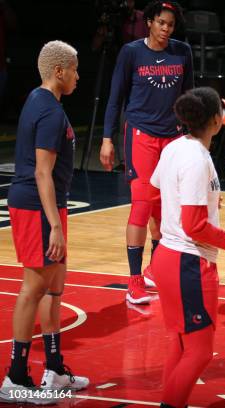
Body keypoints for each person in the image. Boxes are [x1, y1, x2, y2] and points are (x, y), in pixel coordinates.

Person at [150, 87, 225, 408]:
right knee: (198, 353)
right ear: (216, 120)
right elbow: (194, 226)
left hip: (167, 258)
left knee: (180, 345)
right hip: (189, 265)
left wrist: (207, 200)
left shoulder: (174, 148)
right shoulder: (198, 159)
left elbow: (157, 190)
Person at [0, 41, 88, 404]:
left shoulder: (39, 100)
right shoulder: (49, 112)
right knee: (33, 289)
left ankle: (55, 368)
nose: (79, 76)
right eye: (76, 70)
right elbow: (41, 172)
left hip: (51, 208)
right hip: (38, 209)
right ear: (59, 72)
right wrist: (53, 224)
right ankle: (14, 377)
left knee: (55, 288)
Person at [100, 0, 194, 305]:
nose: (166, 29)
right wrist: (107, 138)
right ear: (149, 22)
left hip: (174, 137)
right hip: (140, 135)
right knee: (141, 206)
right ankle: (134, 280)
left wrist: (191, 137)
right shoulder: (131, 53)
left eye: (171, 24)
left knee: (166, 210)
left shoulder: (182, 52)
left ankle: (157, 270)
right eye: (161, 23)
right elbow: (115, 98)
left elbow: (189, 97)